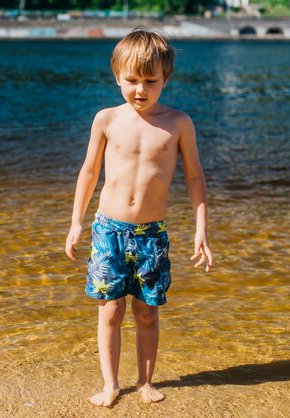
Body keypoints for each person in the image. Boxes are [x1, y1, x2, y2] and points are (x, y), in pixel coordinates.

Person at [65, 28, 213, 407]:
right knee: (110, 309)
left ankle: (145, 381)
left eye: (151, 81)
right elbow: (88, 171)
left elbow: (195, 176)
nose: (140, 89)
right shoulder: (106, 119)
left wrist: (201, 230)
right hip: (108, 229)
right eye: (131, 80)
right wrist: (76, 222)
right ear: (117, 77)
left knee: (147, 312)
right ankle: (111, 384)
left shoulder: (178, 122)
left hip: (152, 233)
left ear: (166, 79)